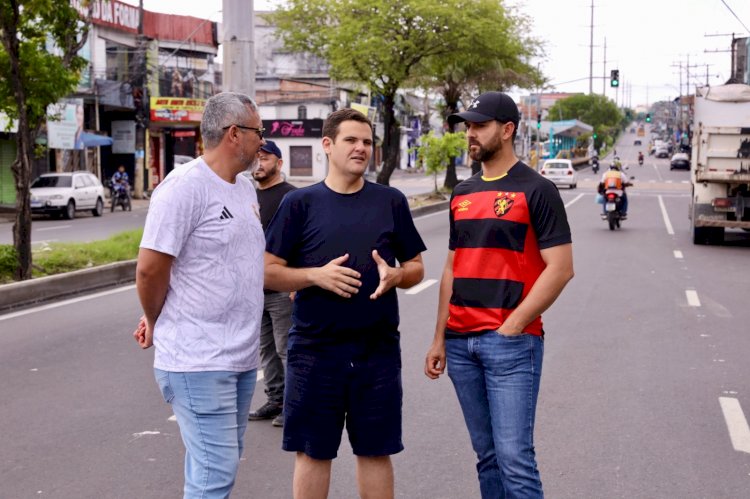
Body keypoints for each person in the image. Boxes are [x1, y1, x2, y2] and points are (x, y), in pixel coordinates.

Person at [264, 108, 426, 499]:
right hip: (315, 351)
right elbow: (267, 270)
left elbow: (417, 267)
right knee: (312, 453)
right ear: (327, 145)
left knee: (375, 451)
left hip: (378, 351)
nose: (361, 148)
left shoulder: (390, 201)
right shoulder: (300, 203)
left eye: (367, 142)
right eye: (351, 140)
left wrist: (397, 276)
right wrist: (314, 276)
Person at [424, 91, 574, 499]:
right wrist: (440, 337)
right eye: (468, 126)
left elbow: (561, 269)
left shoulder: (538, 190)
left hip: (510, 344)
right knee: (487, 456)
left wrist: (513, 326)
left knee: (515, 459)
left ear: (507, 130)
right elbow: (453, 268)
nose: (470, 134)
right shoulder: (463, 193)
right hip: (459, 344)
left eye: (480, 125)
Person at [133, 92, 267, 498]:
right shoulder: (184, 187)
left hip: (239, 356)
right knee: (214, 475)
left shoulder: (243, 189)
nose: (262, 140)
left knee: (214, 468)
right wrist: (154, 318)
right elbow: (150, 268)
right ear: (234, 134)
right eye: (258, 132)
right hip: (198, 358)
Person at [248, 140, 297, 427]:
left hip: (281, 287)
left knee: (285, 349)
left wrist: (296, 282)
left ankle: (293, 405)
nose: (259, 163)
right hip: (255, 289)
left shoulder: (291, 196)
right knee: (265, 350)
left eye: (265, 158)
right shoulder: (249, 197)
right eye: (256, 158)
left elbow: (305, 241)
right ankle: (275, 398)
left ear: (279, 163)